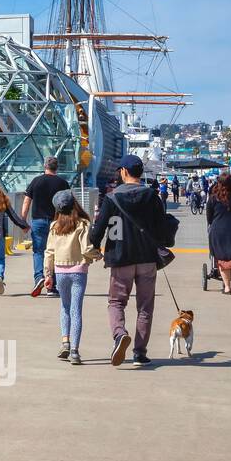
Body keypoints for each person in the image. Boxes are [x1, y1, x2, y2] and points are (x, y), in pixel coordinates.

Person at [88, 155, 166, 367]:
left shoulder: (112, 198)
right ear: (140, 173)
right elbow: (162, 227)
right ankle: (140, 352)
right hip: (147, 258)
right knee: (145, 306)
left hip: (120, 257)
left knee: (116, 302)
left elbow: (99, 228)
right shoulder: (152, 196)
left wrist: (93, 245)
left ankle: (119, 334)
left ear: (123, 171)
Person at [44, 190, 101, 365]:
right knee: (76, 310)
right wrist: (97, 255)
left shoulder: (54, 226)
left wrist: (48, 275)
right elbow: (86, 249)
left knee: (65, 307)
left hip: (60, 271)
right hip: (78, 271)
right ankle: (75, 351)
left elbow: (49, 252)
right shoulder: (83, 224)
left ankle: (65, 342)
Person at [20, 156, 70, 295]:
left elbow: (26, 202)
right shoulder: (63, 183)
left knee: (38, 251)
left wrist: (23, 221)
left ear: (45, 166)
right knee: (55, 253)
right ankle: (51, 287)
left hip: (38, 221)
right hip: (58, 221)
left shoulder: (36, 181)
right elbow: (69, 203)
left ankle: (39, 277)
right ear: (57, 167)